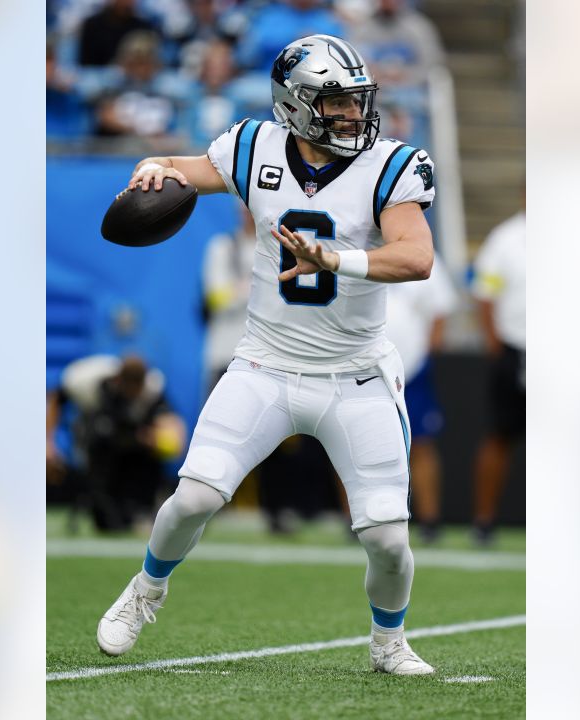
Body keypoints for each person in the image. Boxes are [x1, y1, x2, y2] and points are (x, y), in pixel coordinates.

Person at [95, 34, 439, 675]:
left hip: (355, 375)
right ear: (295, 105)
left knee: (389, 539)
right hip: (264, 365)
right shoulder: (252, 147)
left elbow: (416, 257)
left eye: (355, 102)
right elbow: (188, 169)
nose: (350, 116)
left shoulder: (392, 163)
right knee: (194, 498)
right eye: (333, 104)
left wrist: (338, 259)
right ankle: (146, 590)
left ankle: (388, 642)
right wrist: (157, 166)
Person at [48, 354, 187, 532]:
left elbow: (172, 423)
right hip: (96, 437)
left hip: (134, 441)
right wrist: (48, 443)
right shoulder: (85, 380)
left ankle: (143, 509)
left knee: (148, 454)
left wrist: (166, 441)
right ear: (118, 381)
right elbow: (56, 399)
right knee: (106, 516)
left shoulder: (153, 389)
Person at [384, 252, 457, 544]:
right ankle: (355, 518)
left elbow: (441, 309)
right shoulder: (353, 245)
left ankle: (429, 520)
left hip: (411, 367)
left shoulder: (424, 253)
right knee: (350, 442)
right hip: (359, 367)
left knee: (421, 444)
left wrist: (429, 353)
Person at [470, 197, 526, 546]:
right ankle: (484, 520)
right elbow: (485, 293)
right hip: (515, 346)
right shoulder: (505, 238)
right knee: (500, 435)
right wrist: (495, 346)